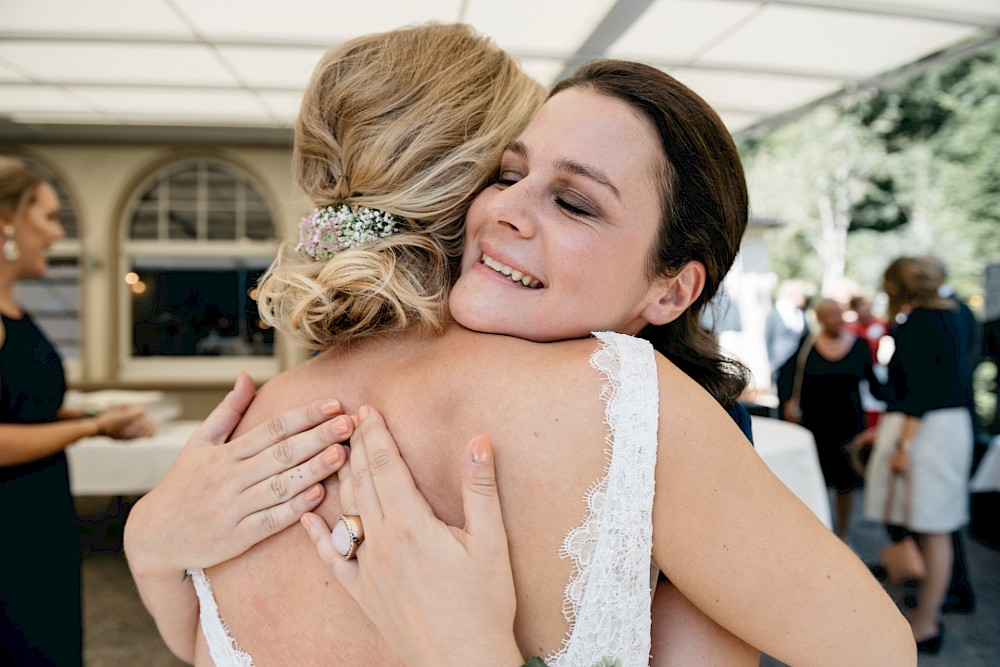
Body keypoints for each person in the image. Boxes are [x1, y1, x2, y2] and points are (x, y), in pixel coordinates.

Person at [127, 28, 914, 666]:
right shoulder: (630, 408)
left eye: (573, 201)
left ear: (674, 286)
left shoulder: (256, 428)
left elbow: (202, 643)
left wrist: (149, 542)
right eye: (507, 174)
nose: (508, 210)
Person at [0, 157, 154, 666]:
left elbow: (20, 406)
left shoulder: (16, 311)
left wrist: (94, 421)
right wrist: (92, 426)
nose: (57, 232)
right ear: (7, 222)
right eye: (46, 216)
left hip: (40, 511)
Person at [864, 256, 975, 653]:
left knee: (933, 526)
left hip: (928, 432)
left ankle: (926, 622)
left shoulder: (923, 322)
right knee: (931, 525)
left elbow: (925, 390)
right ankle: (924, 614)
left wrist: (904, 446)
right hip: (941, 428)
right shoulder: (954, 315)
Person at [776, 298, 884, 539]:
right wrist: (788, 405)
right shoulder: (808, 345)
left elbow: (875, 385)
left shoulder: (859, 345)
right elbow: (787, 377)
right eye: (831, 314)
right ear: (821, 319)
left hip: (849, 424)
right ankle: (818, 532)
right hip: (815, 425)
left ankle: (843, 533)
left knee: (845, 482)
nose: (837, 319)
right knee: (815, 478)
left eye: (839, 313)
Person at [765, 278, 810, 389]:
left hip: (799, 363)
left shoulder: (801, 314)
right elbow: (767, 338)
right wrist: (770, 362)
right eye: (801, 295)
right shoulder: (775, 314)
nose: (804, 298)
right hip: (779, 363)